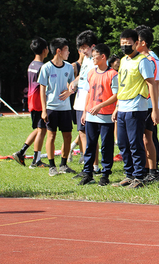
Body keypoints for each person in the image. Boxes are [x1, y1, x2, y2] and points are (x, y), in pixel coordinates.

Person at [112, 28, 159, 188]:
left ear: (137, 43)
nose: (125, 47)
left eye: (128, 44)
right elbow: (121, 85)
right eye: (122, 44)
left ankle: (139, 176)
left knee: (135, 143)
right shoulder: (124, 60)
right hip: (123, 107)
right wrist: (116, 106)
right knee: (123, 143)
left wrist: (155, 109)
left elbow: (151, 84)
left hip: (136, 107)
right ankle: (129, 174)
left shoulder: (143, 61)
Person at [78, 44, 118, 186]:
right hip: (90, 116)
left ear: (103, 57)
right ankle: (88, 173)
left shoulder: (112, 74)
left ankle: (105, 174)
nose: (93, 58)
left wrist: (100, 106)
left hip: (106, 116)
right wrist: (85, 111)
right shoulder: (91, 73)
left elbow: (116, 95)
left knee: (106, 146)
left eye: (95, 56)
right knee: (90, 146)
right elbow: (89, 93)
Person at [38, 38, 76, 176]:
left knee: (68, 136)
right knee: (51, 136)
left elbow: (72, 84)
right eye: (66, 49)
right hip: (51, 108)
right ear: (59, 51)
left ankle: (64, 164)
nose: (68, 52)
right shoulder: (46, 67)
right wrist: (43, 110)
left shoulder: (68, 67)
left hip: (65, 108)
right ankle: (52, 166)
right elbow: (42, 89)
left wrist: (69, 91)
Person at [13, 37, 50, 168]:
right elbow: (43, 86)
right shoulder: (42, 67)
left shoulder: (31, 65)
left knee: (39, 128)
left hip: (32, 100)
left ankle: (21, 152)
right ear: (45, 50)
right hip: (40, 102)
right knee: (42, 130)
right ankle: (36, 160)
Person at [135, 25, 159, 184]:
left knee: (148, 137)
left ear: (143, 43)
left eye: (135, 41)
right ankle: (145, 169)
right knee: (143, 137)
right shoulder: (139, 57)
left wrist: (155, 108)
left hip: (148, 104)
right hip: (140, 103)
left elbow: (155, 83)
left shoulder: (151, 59)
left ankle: (152, 170)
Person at [69, 30, 98, 169]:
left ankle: (93, 166)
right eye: (80, 48)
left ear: (93, 46)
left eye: (84, 47)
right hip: (80, 101)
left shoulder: (96, 61)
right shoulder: (86, 59)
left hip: (90, 102)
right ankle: (89, 166)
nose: (82, 51)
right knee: (82, 133)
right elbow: (81, 76)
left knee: (91, 135)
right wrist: (74, 83)